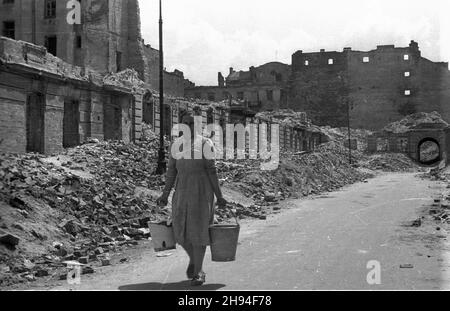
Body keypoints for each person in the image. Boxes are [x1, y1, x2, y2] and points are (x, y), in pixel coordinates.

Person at [157, 113, 227, 286]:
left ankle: (198, 272)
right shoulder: (176, 145)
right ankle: (194, 261)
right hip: (181, 192)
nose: (187, 125)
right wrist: (165, 194)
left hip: (201, 193)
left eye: (191, 123)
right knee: (179, 232)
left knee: (198, 232)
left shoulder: (205, 143)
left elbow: (212, 171)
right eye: (184, 123)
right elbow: (172, 171)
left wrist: (219, 196)